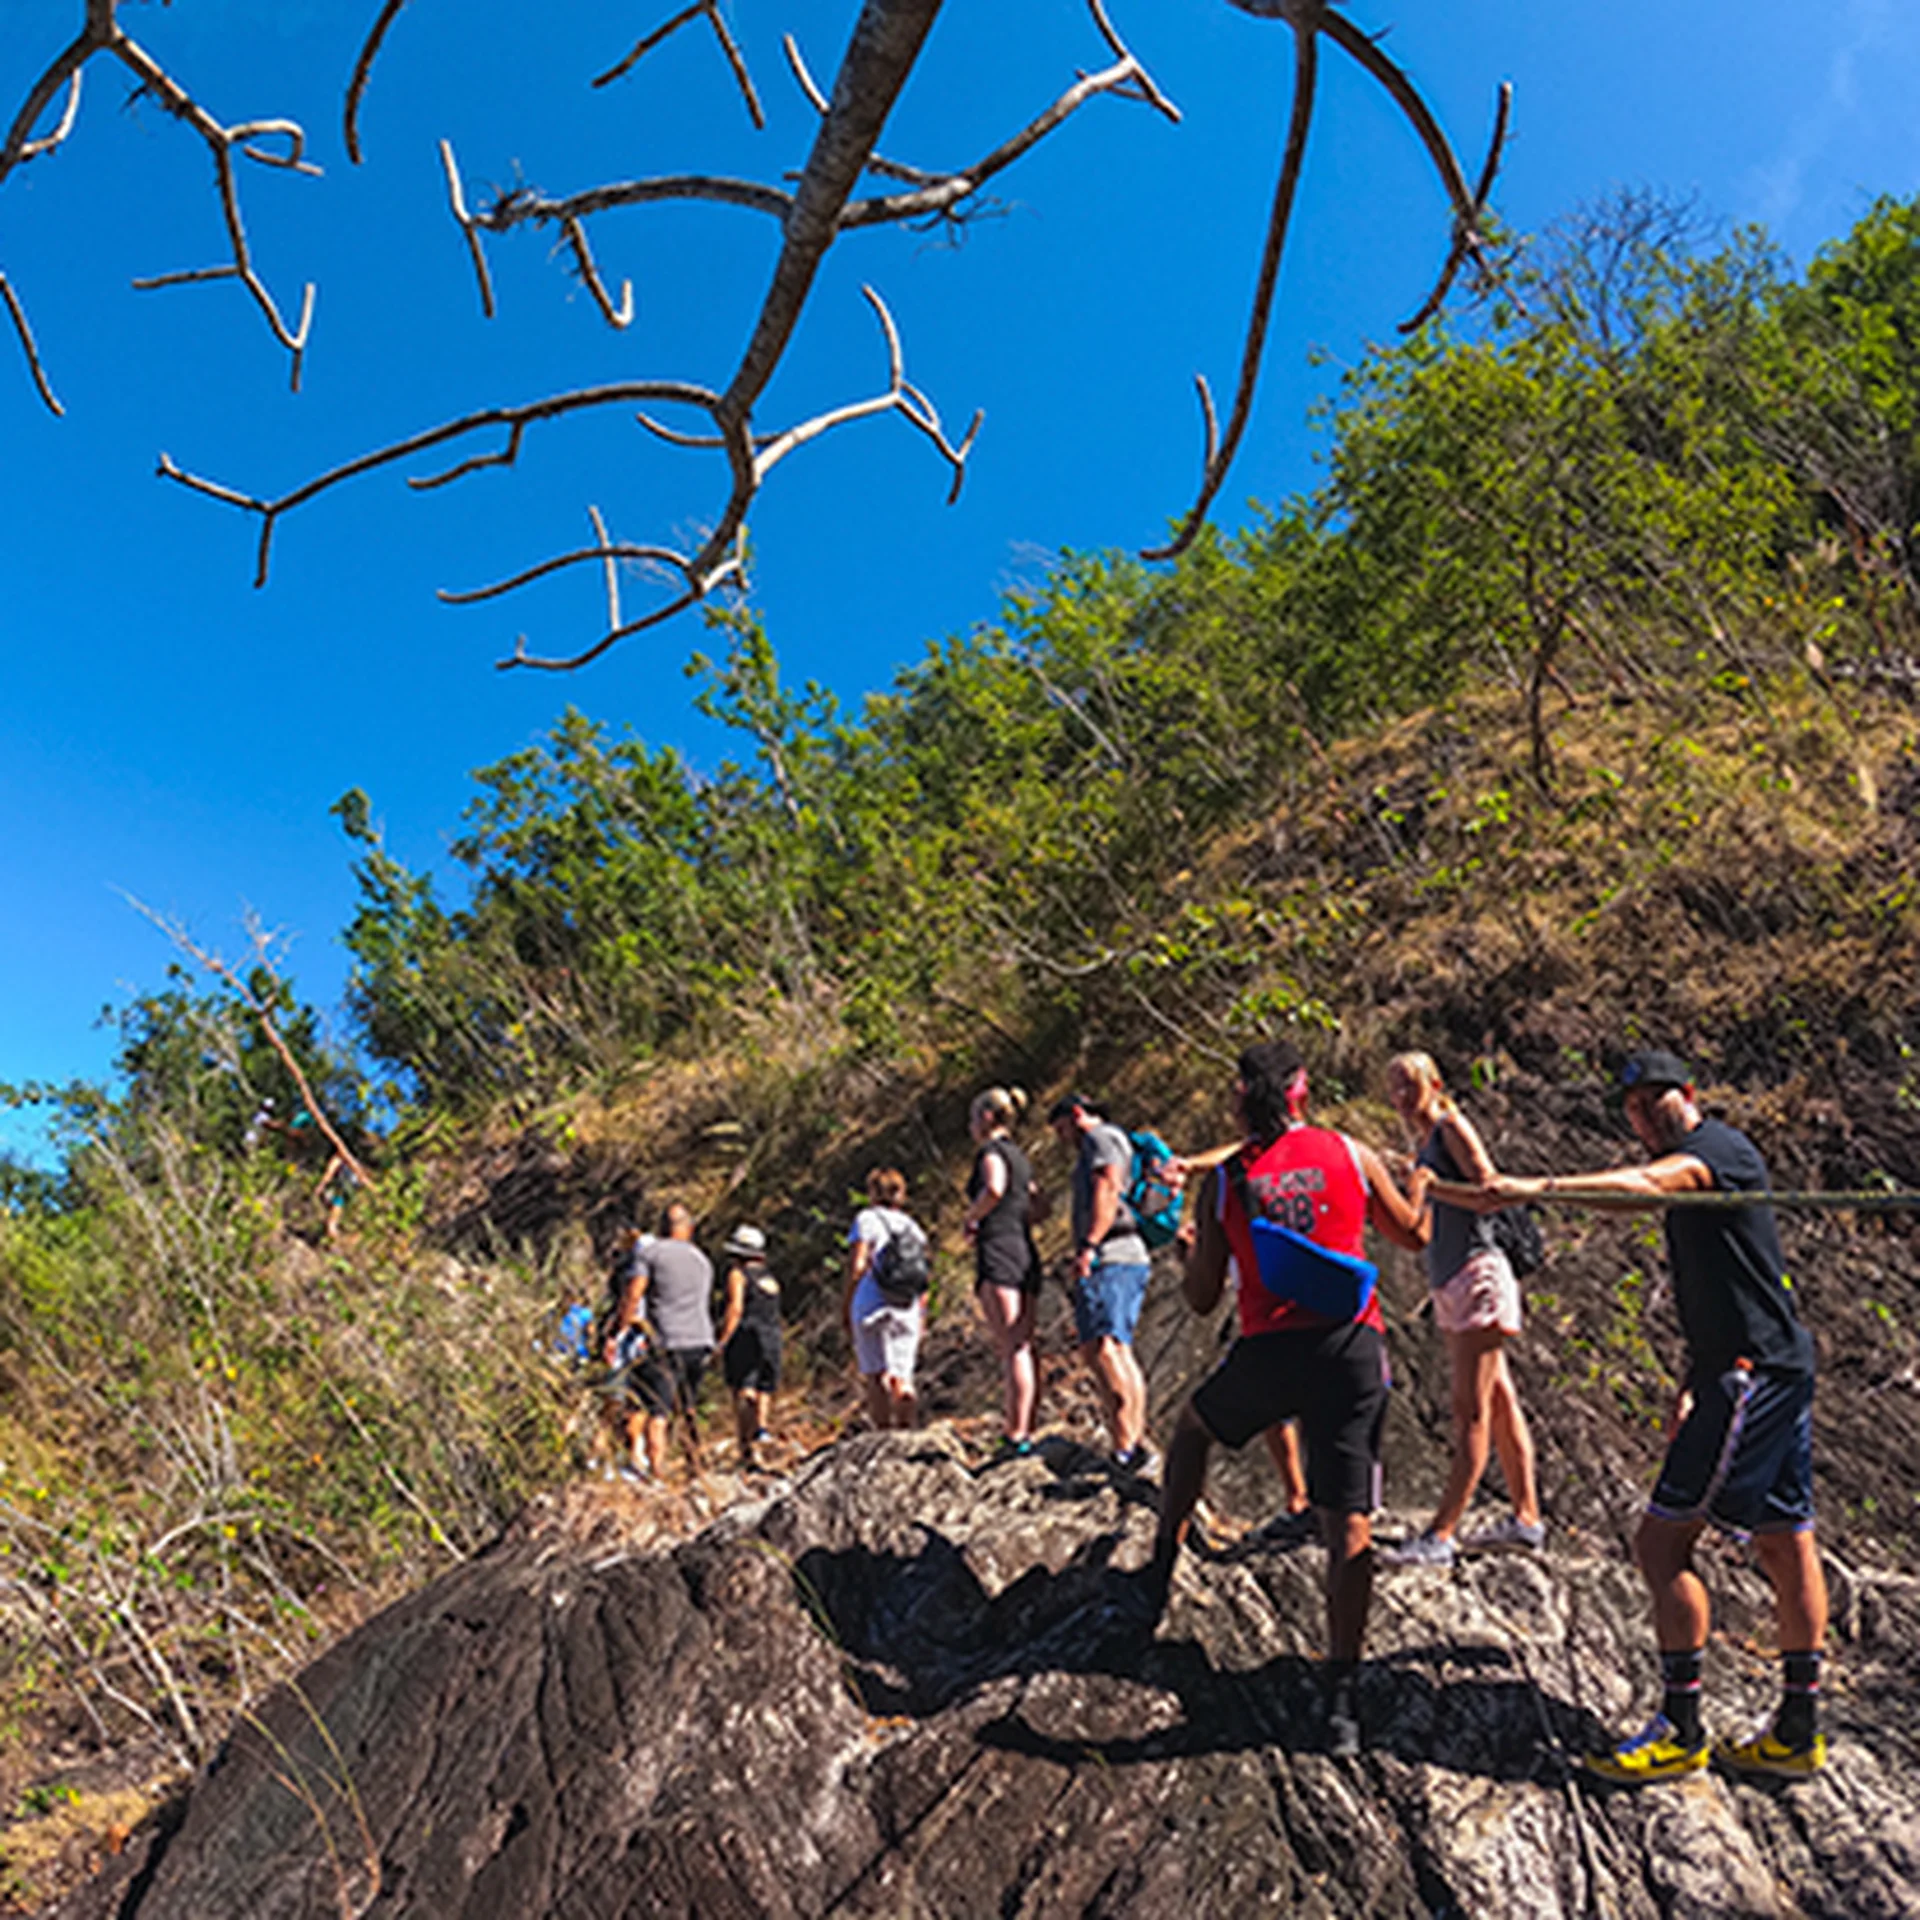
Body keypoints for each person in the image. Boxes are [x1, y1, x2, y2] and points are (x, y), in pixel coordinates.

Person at [1445, 1050, 1827, 1783]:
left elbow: (1649, 1188)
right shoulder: (1696, 1158)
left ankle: (1682, 1731)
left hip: (1753, 1374)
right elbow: (1725, 1287)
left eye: (1658, 1099)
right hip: (1760, 1363)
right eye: (1633, 1106)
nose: (1646, 1114)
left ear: (1689, 1097)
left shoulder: (1714, 1151)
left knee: (1661, 1545)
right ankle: (1797, 1733)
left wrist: (1535, 1187)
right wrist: (1693, 1377)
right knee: (1783, 1540)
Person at [1147, 1040, 1430, 1756]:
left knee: (1193, 1430)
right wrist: (1421, 1184)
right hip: (1350, 1347)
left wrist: (1190, 1251)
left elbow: (1206, 1298)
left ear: (1241, 1098)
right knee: (1349, 1523)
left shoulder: (1225, 1181)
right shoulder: (1350, 1152)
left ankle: (1157, 1567)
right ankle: (1342, 1697)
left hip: (1270, 1350)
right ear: (1301, 1090)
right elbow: (1413, 1234)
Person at [1379, 1051, 1543, 1567]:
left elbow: (1490, 1191)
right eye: (1394, 1088)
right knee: (1498, 1402)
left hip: (1478, 1274)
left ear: (1435, 1083)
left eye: (1410, 1085)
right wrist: (1413, 1176)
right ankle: (1526, 1519)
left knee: (1468, 1411)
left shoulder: (1452, 1126)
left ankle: (1442, 1533)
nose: (1403, 1097)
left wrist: (1431, 1186)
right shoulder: (1424, 1142)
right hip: (1451, 1279)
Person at [1048, 1093, 1154, 1472]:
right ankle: (1132, 1441)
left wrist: (1089, 1245)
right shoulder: (1116, 1138)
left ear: (1076, 1114)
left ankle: (1127, 1445)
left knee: (1105, 1348)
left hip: (1112, 1253)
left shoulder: (1100, 1139)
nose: (1062, 1139)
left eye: (1061, 1129)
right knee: (1113, 1348)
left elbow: (1107, 1188)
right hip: (1126, 1253)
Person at [963, 1087, 1045, 1459]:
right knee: (1024, 1345)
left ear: (986, 1117)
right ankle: (1025, 1427)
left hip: (998, 1248)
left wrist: (973, 1217)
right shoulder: (1021, 1157)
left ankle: (1015, 1434)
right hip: (1025, 1248)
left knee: (1011, 1346)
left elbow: (994, 1188)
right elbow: (1037, 1202)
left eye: (973, 1117)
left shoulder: (992, 1153)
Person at [607, 1202, 716, 1480]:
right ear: (689, 1229)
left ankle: (657, 1471)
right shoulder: (702, 1260)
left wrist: (616, 1332)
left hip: (666, 1341)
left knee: (658, 1409)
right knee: (688, 1406)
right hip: (700, 1339)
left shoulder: (650, 1254)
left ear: (661, 1228)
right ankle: (696, 1464)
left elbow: (633, 1295)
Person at [844, 1167, 928, 1431]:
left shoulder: (866, 1219)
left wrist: (847, 1302)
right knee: (902, 1376)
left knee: (876, 1374)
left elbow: (858, 1265)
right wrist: (921, 1313)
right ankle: (906, 1431)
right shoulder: (913, 1227)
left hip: (871, 1301)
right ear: (901, 1194)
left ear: (871, 1193)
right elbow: (923, 1275)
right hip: (907, 1305)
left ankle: (882, 1435)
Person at [717, 1224, 782, 1470]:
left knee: (744, 1389)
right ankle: (761, 1431)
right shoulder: (769, 1278)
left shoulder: (738, 1275)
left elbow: (735, 1308)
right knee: (764, 1387)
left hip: (746, 1335)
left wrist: (723, 1339)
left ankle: (746, 1446)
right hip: (771, 1335)